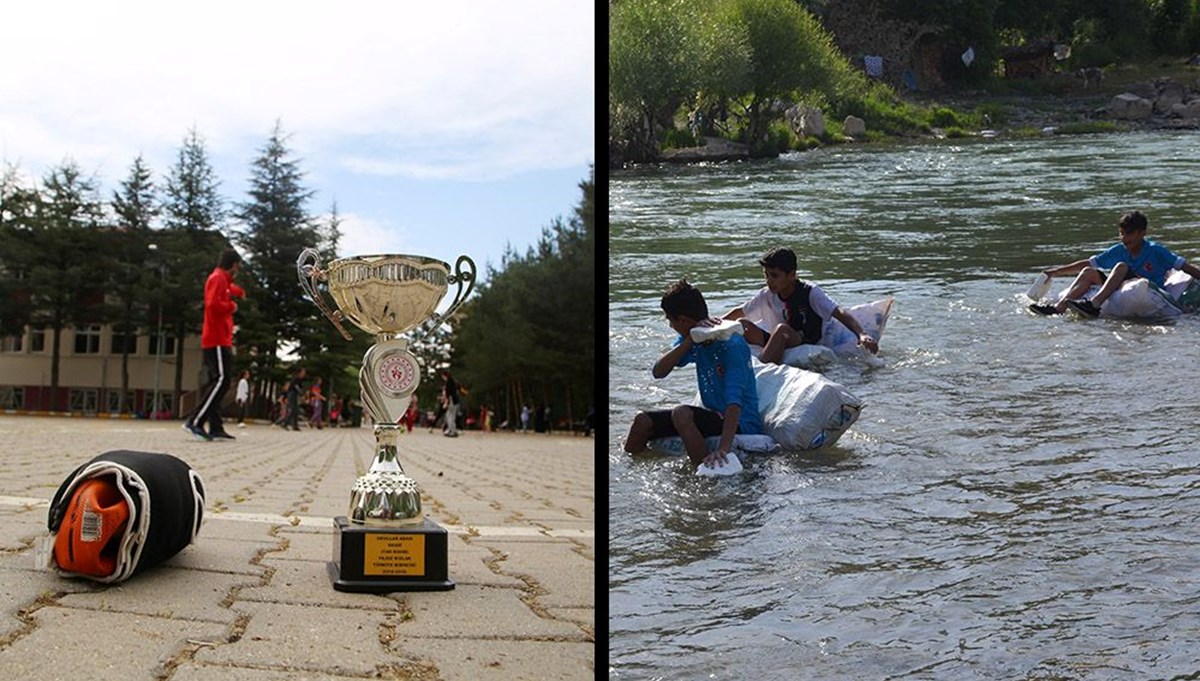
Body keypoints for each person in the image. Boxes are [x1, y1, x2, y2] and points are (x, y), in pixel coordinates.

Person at [624, 279, 764, 468]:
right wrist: (690, 340)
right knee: (642, 421)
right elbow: (659, 371)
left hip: (741, 422)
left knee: (681, 413)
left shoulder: (732, 344)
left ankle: (704, 475)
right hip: (712, 415)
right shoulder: (691, 340)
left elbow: (734, 402)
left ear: (682, 320)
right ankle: (629, 475)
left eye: (670, 320)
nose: (670, 326)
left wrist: (723, 449)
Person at [723, 247, 879, 365]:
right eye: (766, 275)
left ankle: (762, 367)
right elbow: (740, 311)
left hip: (803, 339)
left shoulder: (810, 292)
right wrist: (712, 324)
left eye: (775, 276)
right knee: (742, 324)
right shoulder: (767, 293)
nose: (769, 281)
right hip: (778, 337)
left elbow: (839, 312)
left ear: (792, 275)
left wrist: (862, 334)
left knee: (781, 330)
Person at [1029, 210, 1200, 317]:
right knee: (1089, 271)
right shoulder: (1119, 249)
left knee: (1121, 266)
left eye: (1129, 234)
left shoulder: (1156, 251)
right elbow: (1088, 263)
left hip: (1144, 285)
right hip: (1120, 284)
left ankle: (1094, 305)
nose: (1124, 239)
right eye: (1122, 234)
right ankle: (1059, 308)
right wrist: (1054, 272)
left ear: (1141, 233)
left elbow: (1185, 267)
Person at [183, 248, 245, 441]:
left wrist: (239, 292)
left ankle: (216, 427)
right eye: (238, 267)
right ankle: (195, 421)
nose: (238, 270)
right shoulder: (216, 278)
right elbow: (212, 304)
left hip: (221, 338)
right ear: (233, 264)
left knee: (217, 383)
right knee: (222, 380)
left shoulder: (223, 281)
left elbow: (230, 288)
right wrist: (232, 306)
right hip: (216, 339)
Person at [284, 367, 306, 431]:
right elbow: (296, 387)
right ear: (299, 373)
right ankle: (285, 423)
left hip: (294, 394)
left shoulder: (299, 379)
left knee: (295, 410)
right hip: (292, 394)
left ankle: (295, 426)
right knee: (293, 409)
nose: (304, 373)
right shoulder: (296, 378)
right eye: (303, 372)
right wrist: (301, 393)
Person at [441, 370, 461, 437]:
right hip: (454, 401)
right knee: (449, 415)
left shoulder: (448, 383)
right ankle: (451, 430)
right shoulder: (451, 382)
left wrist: (446, 403)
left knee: (450, 416)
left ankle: (452, 431)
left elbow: (449, 394)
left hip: (452, 401)